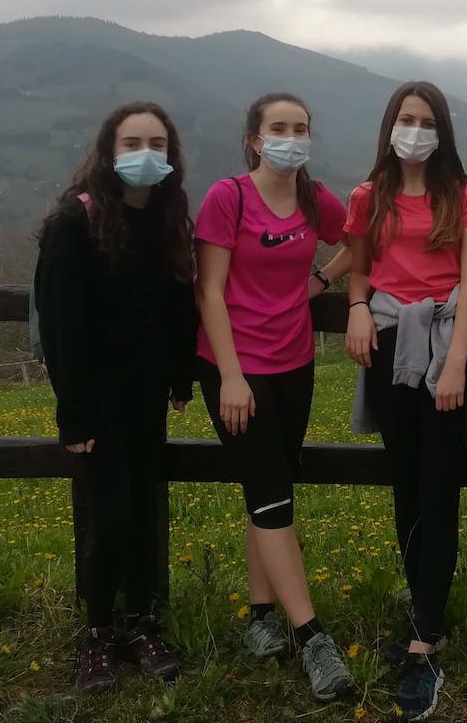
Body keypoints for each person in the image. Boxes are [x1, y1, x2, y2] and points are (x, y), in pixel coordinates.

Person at [194, 93, 354, 702]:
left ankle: (260, 619)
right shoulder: (227, 198)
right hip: (234, 366)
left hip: (295, 362)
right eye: (279, 128)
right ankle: (311, 635)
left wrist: (324, 279)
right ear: (255, 138)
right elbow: (210, 292)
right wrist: (232, 377)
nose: (291, 137)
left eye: (301, 128)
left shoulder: (316, 200)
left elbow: (362, 239)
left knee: (271, 489)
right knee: (270, 495)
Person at [34, 102, 197, 694]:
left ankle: (143, 624)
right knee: (112, 514)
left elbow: (179, 304)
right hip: (96, 399)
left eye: (157, 143)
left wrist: (182, 378)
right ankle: (98, 632)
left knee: (146, 508)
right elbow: (60, 326)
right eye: (132, 143)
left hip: (147, 396)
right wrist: (74, 411)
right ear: (108, 152)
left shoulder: (168, 219)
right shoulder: (72, 225)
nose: (146, 154)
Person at [344, 81, 467, 722]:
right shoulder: (366, 196)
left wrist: (456, 360)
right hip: (386, 350)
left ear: (442, 130)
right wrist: (353, 306)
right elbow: (357, 264)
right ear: (390, 125)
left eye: (427, 120)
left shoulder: (462, 195)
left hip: (446, 351)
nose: (416, 129)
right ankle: (424, 606)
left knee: (440, 489)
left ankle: (424, 642)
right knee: (406, 485)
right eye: (407, 118)